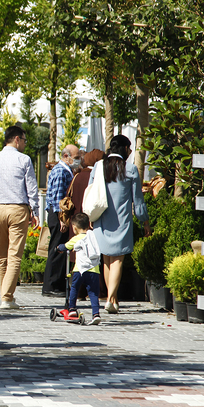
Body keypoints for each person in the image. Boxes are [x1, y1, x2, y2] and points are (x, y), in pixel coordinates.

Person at [89, 135, 151, 314]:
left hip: (101, 219)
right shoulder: (130, 169)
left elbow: (91, 192)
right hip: (121, 220)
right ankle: (110, 299)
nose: (130, 152)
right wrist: (144, 221)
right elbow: (138, 200)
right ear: (124, 149)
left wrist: (90, 219)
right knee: (118, 260)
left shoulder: (98, 167)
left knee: (107, 260)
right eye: (129, 149)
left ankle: (113, 300)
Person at [0, 126, 39, 309]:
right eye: (24, 140)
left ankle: (5, 296)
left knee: (1, 255)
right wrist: (35, 210)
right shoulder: (24, 159)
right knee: (14, 255)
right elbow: (31, 187)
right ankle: (6, 297)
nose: (24, 143)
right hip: (17, 208)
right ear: (17, 139)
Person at [42, 144, 82, 297]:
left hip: (59, 215)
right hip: (59, 215)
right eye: (76, 157)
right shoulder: (60, 171)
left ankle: (55, 284)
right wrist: (62, 219)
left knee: (59, 248)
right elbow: (59, 197)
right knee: (57, 249)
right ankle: (51, 285)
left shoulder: (66, 170)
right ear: (66, 156)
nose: (78, 160)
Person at [57, 212, 102, 325]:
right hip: (94, 270)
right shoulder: (93, 237)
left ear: (74, 227)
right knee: (93, 293)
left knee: (74, 289)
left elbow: (65, 246)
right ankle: (96, 314)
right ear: (88, 225)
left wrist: (58, 248)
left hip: (80, 270)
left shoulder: (76, 238)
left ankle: (72, 309)